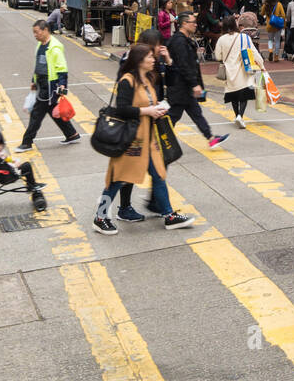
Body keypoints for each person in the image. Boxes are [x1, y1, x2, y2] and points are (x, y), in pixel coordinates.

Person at [93, 44, 194, 233]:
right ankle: (100, 217)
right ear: (139, 60)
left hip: (149, 139)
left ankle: (169, 215)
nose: (153, 59)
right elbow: (121, 108)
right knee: (117, 179)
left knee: (158, 175)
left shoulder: (148, 79)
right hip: (130, 140)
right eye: (149, 56)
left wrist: (158, 108)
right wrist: (147, 110)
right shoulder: (127, 81)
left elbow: (172, 82)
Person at [16, 19, 82, 152]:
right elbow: (39, 65)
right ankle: (72, 134)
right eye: (33, 33)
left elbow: (62, 67)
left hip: (50, 85)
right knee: (52, 110)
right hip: (41, 83)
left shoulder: (54, 47)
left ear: (45, 30)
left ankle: (27, 142)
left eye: (36, 32)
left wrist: (62, 85)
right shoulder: (40, 45)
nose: (35, 35)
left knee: (36, 113)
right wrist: (34, 81)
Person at [166, 13, 228, 148]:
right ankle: (157, 139)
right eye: (193, 22)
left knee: (196, 113)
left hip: (185, 87)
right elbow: (183, 65)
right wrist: (194, 84)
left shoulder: (184, 40)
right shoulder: (179, 42)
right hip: (179, 86)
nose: (196, 24)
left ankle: (211, 138)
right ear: (184, 24)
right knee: (173, 116)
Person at [215, 16, 263, 128]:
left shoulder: (221, 39)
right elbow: (254, 52)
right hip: (243, 70)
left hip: (229, 71)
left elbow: (218, 56)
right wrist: (261, 65)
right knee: (244, 95)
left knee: (233, 95)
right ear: (235, 25)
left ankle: (237, 115)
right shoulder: (244, 37)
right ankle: (240, 116)